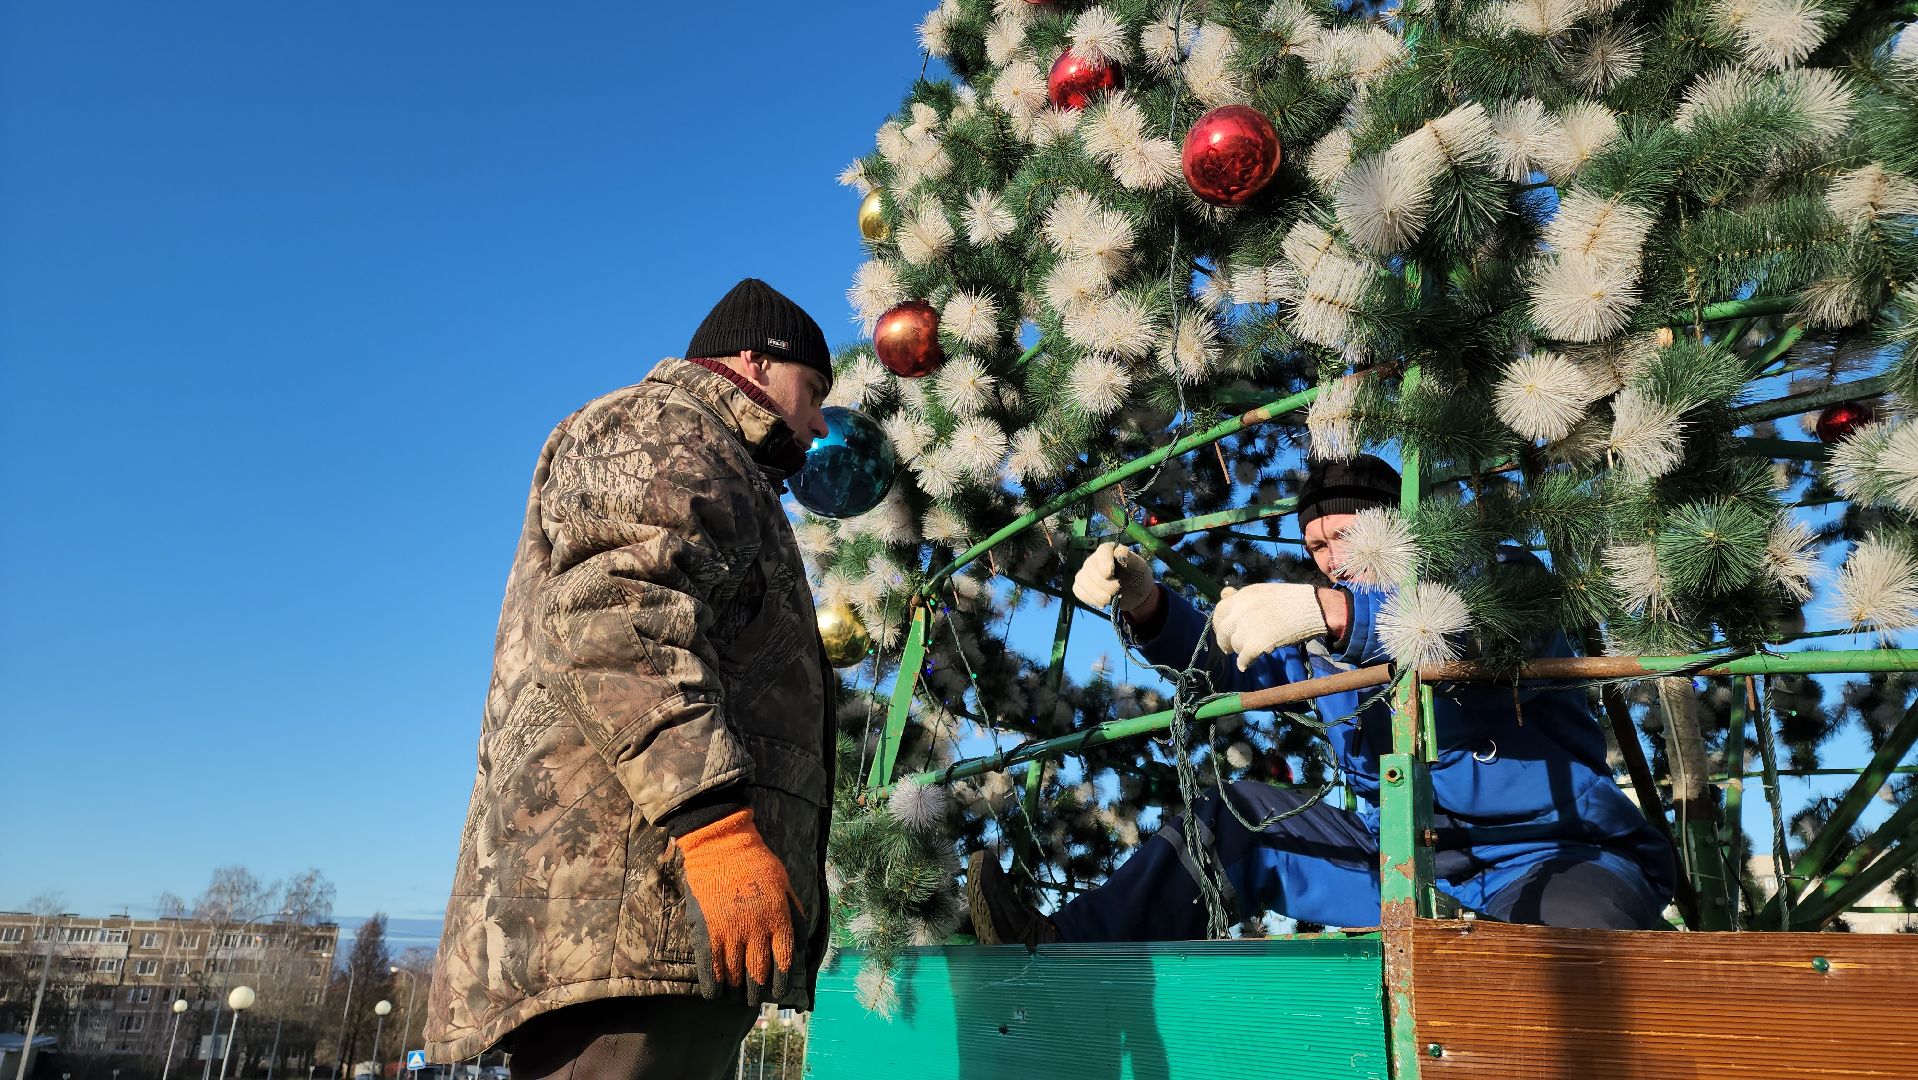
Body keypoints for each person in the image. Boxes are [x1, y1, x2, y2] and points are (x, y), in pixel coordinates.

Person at [968, 455, 1675, 946]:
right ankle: (1060, 943)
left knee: (1586, 965)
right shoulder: (1323, 643)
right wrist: (1148, 603)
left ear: (1398, 527)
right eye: (1315, 545)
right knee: (1237, 814)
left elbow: (1464, 619)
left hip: (1556, 856)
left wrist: (1340, 614)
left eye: (1343, 534)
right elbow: (1224, 665)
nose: (1328, 558)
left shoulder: (1494, 576)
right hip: (1401, 856)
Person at [424, 279, 838, 1080]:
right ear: (754, 360)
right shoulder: (662, 427)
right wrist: (714, 826)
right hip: (630, 906)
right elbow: (616, 620)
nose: (819, 421)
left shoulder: (720, 457)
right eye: (813, 390)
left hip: (664, 916)